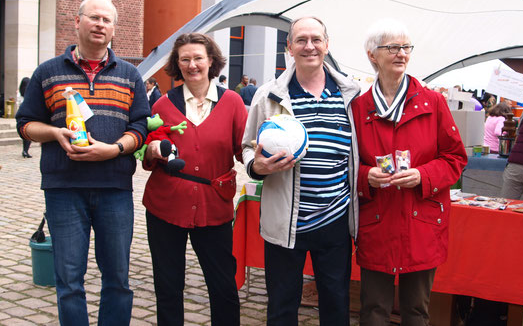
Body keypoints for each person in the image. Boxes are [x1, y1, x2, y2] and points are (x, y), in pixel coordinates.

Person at [15, 0, 150, 326]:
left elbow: (140, 127)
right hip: (64, 189)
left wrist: (115, 149)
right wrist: (54, 133)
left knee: (118, 278)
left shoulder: (130, 75)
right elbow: (25, 124)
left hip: (114, 188)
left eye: (107, 20)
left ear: (114, 29)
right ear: (77, 22)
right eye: (94, 17)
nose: (101, 24)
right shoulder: (48, 72)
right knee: (69, 281)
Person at [242, 16, 361, 325]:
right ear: (289, 48)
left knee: (336, 307)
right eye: (301, 40)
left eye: (316, 39)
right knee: (282, 308)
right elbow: (246, 147)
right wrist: (257, 166)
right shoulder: (268, 95)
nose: (310, 46)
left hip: (336, 219)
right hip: (286, 222)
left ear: (327, 44)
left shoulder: (350, 94)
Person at [350, 18, 467, 326]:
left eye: (406, 47)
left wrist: (423, 176)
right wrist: (366, 177)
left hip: (422, 221)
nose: (401, 53)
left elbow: (455, 158)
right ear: (372, 55)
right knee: (373, 309)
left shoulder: (433, 102)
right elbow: (348, 164)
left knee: (416, 311)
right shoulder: (359, 108)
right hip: (378, 220)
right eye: (392, 47)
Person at [142, 33, 246, 325]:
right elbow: (149, 155)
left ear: (211, 61)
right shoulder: (163, 104)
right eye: (184, 59)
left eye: (198, 58)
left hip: (215, 205)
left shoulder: (233, 102)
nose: (192, 65)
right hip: (165, 206)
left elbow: (244, 149)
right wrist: (152, 150)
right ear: (177, 64)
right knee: (168, 285)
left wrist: (263, 160)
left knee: (224, 284)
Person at [18, 77, 32, 158]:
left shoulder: (21, 92)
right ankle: (26, 151)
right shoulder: (29, 91)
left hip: (22, 112)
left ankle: (25, 150)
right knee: (28, 133)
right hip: (29, 112)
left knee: (25, 133)